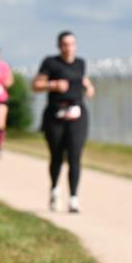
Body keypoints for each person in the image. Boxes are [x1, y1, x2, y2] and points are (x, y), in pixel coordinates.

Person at [32, 31, 95, 213]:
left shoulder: (80, 63)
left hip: (77, 114)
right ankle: (54, 189)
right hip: (55, 115)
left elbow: (82, 79)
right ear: (59, 46)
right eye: (65, 44)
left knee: (75, 155)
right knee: (57, 156)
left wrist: (89, 87)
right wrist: (53, 85)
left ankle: (74, 197)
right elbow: (35, 85)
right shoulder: (50, 63)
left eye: (72, 44)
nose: (69, 47)